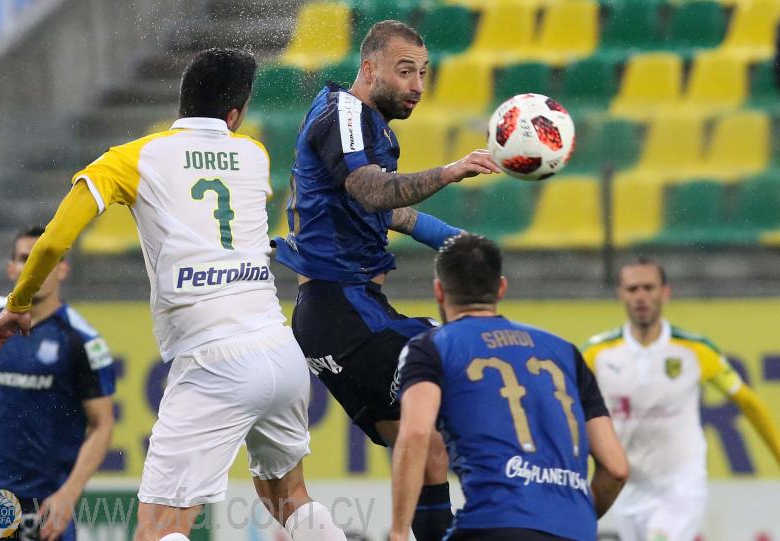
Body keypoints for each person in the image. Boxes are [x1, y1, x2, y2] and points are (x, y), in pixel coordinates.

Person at [0, 49, 347, 541]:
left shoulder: (132, 158)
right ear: (234, 115)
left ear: (182, 98)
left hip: (213, 359)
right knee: (290, 498)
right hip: (280, 350)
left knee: (157, 529)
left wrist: (18, 303)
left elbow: (50, 243)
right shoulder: (254, 155)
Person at [272, 20, 501, 540]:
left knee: (426, 449)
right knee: (474, 349)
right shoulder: (345, 113)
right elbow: (374, 192)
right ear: (369, 68)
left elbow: (387, 211)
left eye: (423, 73)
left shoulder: (364, 125)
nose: (417, 85)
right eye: (405, 72)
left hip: (337, 318)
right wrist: (451, 171)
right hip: (345, 312)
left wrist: (457, 241)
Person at [389, 234, 629, 541]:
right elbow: (616, 468)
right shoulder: (565, 353)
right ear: (501, 288)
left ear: (438, 291)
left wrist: (398, 532)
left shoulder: (432, 347)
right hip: (575, 530)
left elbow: (416, 433)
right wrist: (567, 524)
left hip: (494, 524)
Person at [582, 257, 780, 541]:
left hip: (680, 485)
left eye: (649, 288)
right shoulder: (596, 353)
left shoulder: (696, 350)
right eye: (633, 289)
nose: (641, 296)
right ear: (620, 294)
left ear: (665, 292)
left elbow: (748, 403)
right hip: (628, 489)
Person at [0, 226, 115, 541]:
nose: (33, 269)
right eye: (24, 259)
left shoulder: (82, 339)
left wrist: (70, 493)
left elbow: (103, 424)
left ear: (63, 269)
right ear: (11, 268)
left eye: (44, 260)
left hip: (44, 503)